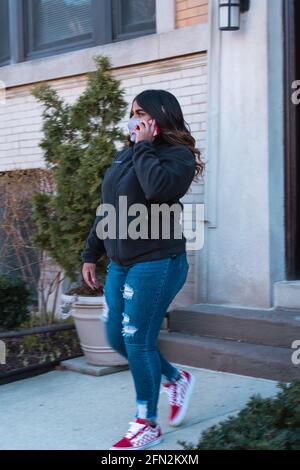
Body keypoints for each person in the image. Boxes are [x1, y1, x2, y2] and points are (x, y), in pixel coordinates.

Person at [81, 89, 205, 450]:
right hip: (121, 263)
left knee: (137, 339)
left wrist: (145, 145)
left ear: (160, 117)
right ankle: (175, 378)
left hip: (157, 261)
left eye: (143, 113)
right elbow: (109, 207)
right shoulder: (126, 154)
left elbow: (156, 190)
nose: (136, 118)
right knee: (116, 336)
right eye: (133, 112)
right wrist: (91, 253)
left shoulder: (177, 156)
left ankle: (146, 422)